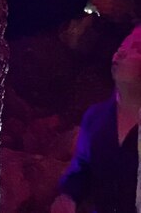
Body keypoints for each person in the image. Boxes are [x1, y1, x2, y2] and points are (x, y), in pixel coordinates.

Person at [51, 25, 141, 213]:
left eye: (135, 48)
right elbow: (82, 168)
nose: (121, 52)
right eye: (122, 46)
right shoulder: (95, 117)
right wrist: (68, 195)